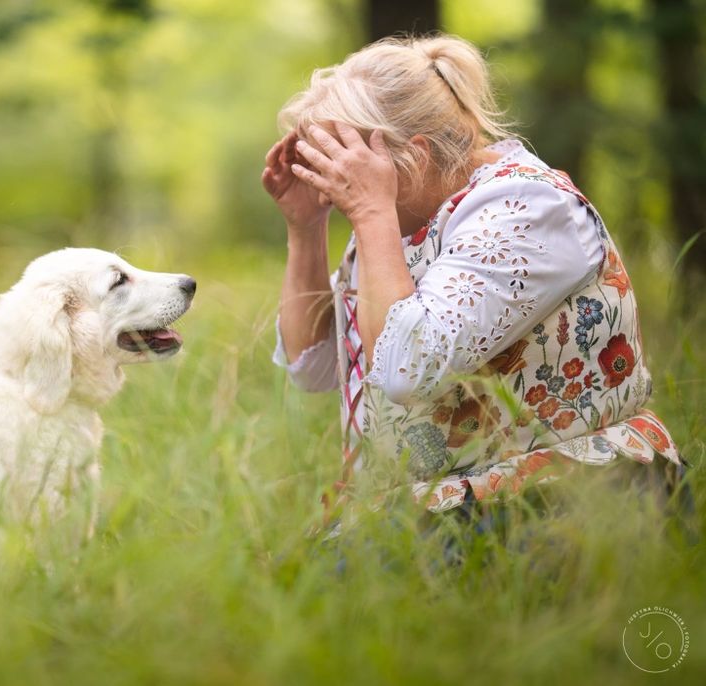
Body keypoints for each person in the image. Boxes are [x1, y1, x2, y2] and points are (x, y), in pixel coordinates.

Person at [263, 34, 690, 521]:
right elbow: (314, 370)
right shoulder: (388, 227)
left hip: (568, 499)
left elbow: (407, 372)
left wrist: (369, 209)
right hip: (440, 513)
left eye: (346, 164)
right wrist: (305, 227)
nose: (337, 184)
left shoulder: (529, 209)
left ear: (416, 157)